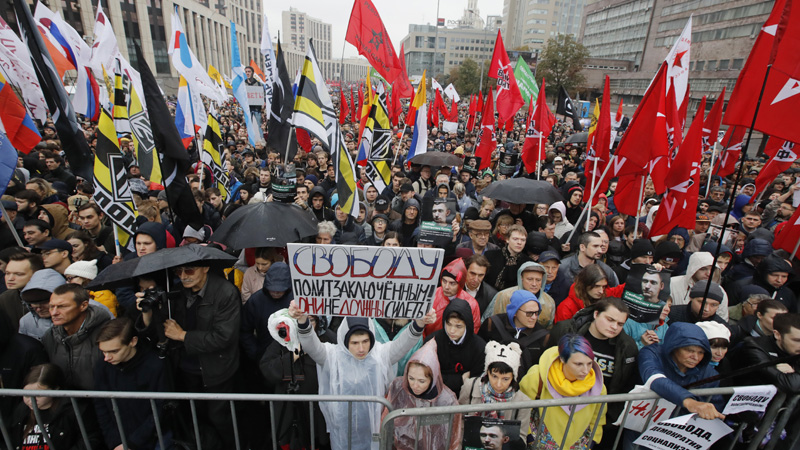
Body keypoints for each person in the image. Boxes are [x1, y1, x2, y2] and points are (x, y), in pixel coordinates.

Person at [288, 300, 436, 450]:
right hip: (342, 430)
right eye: (355, 343)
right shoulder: (331, 356)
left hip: (372, 428)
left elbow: (403, 344)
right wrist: (302, 320)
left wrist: (419, 323)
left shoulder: (380, 354)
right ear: (345, 341)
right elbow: (311, 345)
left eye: (365, 341)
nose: (361, 348)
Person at [135, 262, 241, 448]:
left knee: (219, 418)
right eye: (179, 271)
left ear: (206, 268)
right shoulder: (175, 292)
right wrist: (148, 314)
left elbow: (224, 337)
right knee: (193, 417)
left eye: (189, 270)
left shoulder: (225, 292)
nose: (183, 276)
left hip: (216, 369)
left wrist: (183, 335)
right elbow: (160, 334)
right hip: (185, 368)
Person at [94, 318, 171, 450]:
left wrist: (132, 443)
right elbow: (101, 406)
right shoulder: (102, 365)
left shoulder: (155, 365)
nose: (107, 357)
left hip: (154, 438)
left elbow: (160, 409)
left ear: (133, 341)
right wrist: (115, 442)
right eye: (103, 352)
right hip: (119, 440)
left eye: (114, 351)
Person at [519, 334, 607, 449]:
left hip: (577, 445)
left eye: (589, 363)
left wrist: (592, 441)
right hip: (539, 443)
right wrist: (530, 438)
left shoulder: (598, 385)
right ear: (562, 359)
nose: (586, 370)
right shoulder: (537, 376)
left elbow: (598, 418)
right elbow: (521, 411)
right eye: (578, 364)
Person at [383, 340, 463, 450]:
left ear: (433, 378)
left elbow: (454, 438)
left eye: (421, 381)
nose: (415, 385)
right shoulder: (398, 388)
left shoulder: (447, 400)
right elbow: (385, 424)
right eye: (411, 378)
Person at [637, 322, 724, 419]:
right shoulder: (652, 353)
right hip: (643, 424)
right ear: (674, 347)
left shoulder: (709, 373)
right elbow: (654, 378)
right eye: (690, 350)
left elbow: (715, 408)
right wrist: (690, 402)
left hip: (682, 430)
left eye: (701, 352)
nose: (695, 357)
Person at [9, 364, 103, 449]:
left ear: (55, 390)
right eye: (26, 394)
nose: (31, 400)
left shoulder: (74, 409)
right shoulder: (21, 410)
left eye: (38, 395)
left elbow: (91, 440)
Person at [460, 341, 532, 441]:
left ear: (513, 377)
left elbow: (521, 437)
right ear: (487, 372)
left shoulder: (523, 401)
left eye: (505, 379)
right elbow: (459, 425)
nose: (498, 384)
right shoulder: (470, 386)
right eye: (494, 376)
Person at [42, 284, 110, 389]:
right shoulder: (50, 336)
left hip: (102, 401)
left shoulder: (106, 333)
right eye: (51, 306)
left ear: (83, 305)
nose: (54, 313)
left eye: (62, 306)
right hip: (66, 401)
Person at [480, 290, 549, 376]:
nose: (534, 317)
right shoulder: (492, 324)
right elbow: (479, 353)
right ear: (515, 311)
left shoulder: (543, 337)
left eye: (537, 313)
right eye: (529, 313)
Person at [427, 298, 487, 395]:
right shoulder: (432, 342)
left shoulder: (479, 347)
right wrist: (461, 379)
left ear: (467, 325)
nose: (452, 330)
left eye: (458, 326)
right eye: (449, 324)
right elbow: (428, 377)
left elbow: (476, 381)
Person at [241, 262, 293, 363]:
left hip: (292, 355)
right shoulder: (256, 301)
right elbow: (244, 330)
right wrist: (255, 352)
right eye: (272, 289)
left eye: (280, 290)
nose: (275, 292)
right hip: (265, 356)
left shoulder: (296, 300)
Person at [739, 313, 800, 393]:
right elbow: (791, 385)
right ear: (777, 335)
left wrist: (794, 370)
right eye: (797, 340)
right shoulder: (755, 346)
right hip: (748, 400)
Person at [485, 262, 556, 329]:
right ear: (521, 278)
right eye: (530, 279)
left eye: (538, 280)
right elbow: (489, 321)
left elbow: (548, 328)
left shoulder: (549, 302)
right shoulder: (504, 296)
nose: (534, 284)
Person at [424, 260, 481, 337]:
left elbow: (473, 331)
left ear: (460, 284)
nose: (446, 287)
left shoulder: (471, 304)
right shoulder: (431, 295)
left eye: (452, 283)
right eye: (444, 281)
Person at [670, 252, 731, 321]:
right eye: (703, 269)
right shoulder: (672, 283)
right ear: (693, 269)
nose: (708, 273)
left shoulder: (719, 291)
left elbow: (722, 318)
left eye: (712, 269)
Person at [556, 265, 626, 323]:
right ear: (584, 284)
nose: (601, 291)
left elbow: (622, 289)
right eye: (596, 286)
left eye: (604, 286)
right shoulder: (566, 308)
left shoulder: (605, 293)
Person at [0, 252, 44, 331]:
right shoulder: (5, 298)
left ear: (36, 274)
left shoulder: (50, 296)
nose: (10, 278)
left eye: (19, 274)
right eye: (7, 273)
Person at [485, 225, 531, 291]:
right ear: (507, 239)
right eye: (515, 239)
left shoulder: (528, 263)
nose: (519, 242)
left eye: (523, 240)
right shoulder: (490, 255)